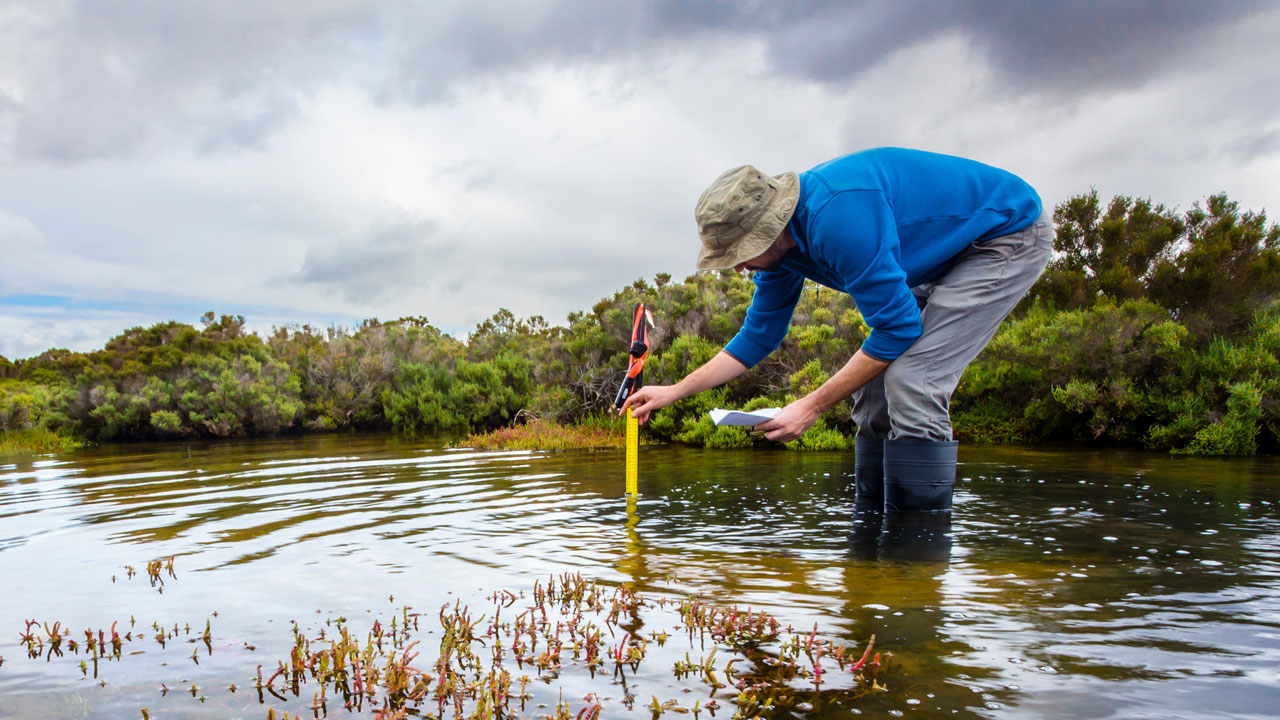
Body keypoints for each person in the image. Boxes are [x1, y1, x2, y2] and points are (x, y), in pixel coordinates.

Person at [620, 147, 1054, 513]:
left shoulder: (839, 218)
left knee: (912, 379)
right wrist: (675, 390)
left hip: (1003, 237)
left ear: (772, 228)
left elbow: (898, 329)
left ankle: (915, 558)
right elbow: (759, 336)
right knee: (874, 386)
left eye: (743, 251)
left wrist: (810, 407)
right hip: (938, 255)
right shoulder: (781, 254)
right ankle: (871, 539)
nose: (737, 265)